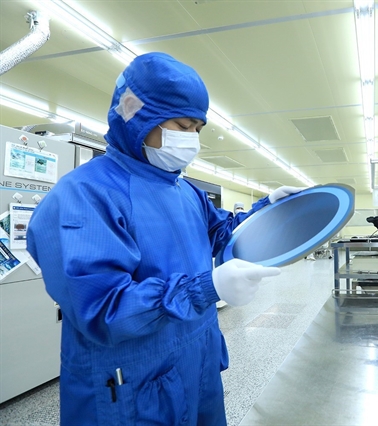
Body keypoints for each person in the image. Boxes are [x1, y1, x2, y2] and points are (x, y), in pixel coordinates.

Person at [26, 52, 303, 426]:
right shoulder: (84, 194)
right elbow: (102, 309)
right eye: (183, 126)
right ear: (137, 115)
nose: (191, 140)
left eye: (198, 129)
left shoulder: (185, 191)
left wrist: (266, 210)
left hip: (196, 366)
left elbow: (225, 233)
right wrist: (207, 288)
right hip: (131, 387)